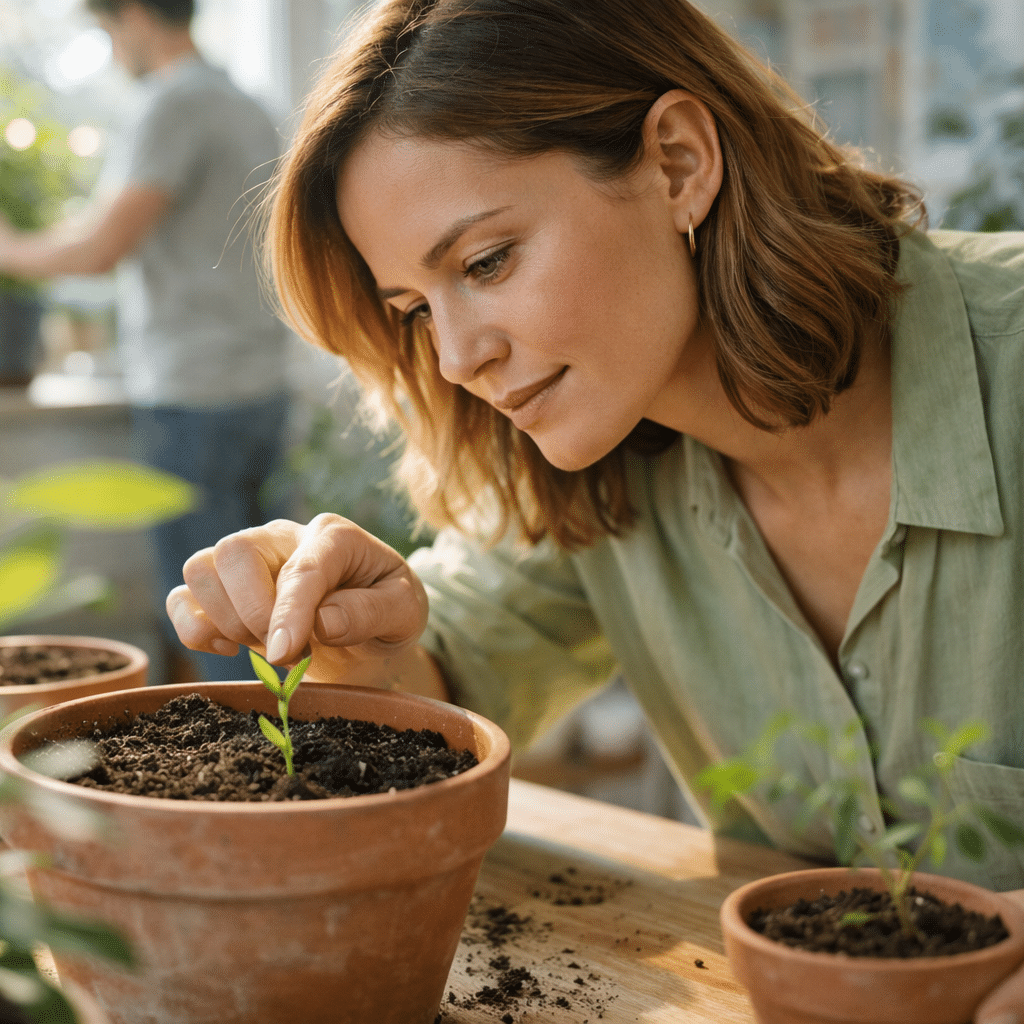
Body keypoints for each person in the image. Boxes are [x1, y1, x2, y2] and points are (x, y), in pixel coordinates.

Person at [166, 0, 1023, 1006]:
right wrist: (353, 625)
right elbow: (455, 662)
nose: (455, 356)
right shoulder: (597, 468)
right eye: (413, 309)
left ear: (677, 164)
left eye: (486, 262)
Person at [0, 0, 290, 683]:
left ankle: (258, 783)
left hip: (193, 394)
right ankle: (297, 772)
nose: (110, 48)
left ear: (133, 14)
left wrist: (7, 248)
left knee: (212, 622)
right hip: (261, 384)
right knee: (274, 609)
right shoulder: (247, 104)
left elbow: (101, 246)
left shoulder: (173, 105)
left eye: (105, 29)